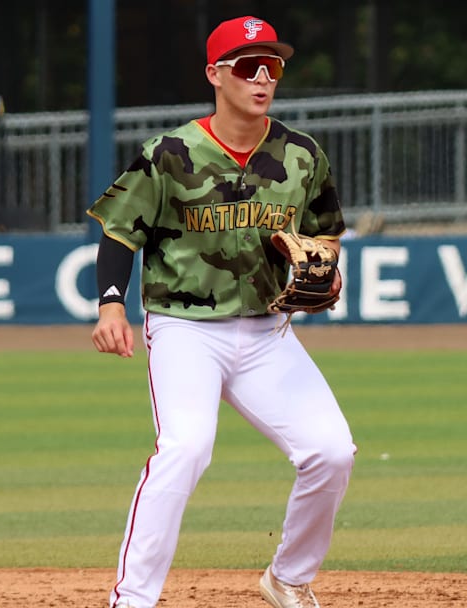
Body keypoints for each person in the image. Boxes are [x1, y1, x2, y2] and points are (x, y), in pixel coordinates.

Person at [88, 15, 355, 608]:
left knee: (332, 451)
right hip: (185, 329)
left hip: (267, 332)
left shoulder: (302, 155)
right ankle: (132, 600)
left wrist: (328, 271)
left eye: (273, 67)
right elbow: (119, 232)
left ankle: (287, 578)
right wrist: (111, 304)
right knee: (185, 448)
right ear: (215, 73)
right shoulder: (172, 153)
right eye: (247, 66)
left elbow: (325, 236)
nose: (263, 78)